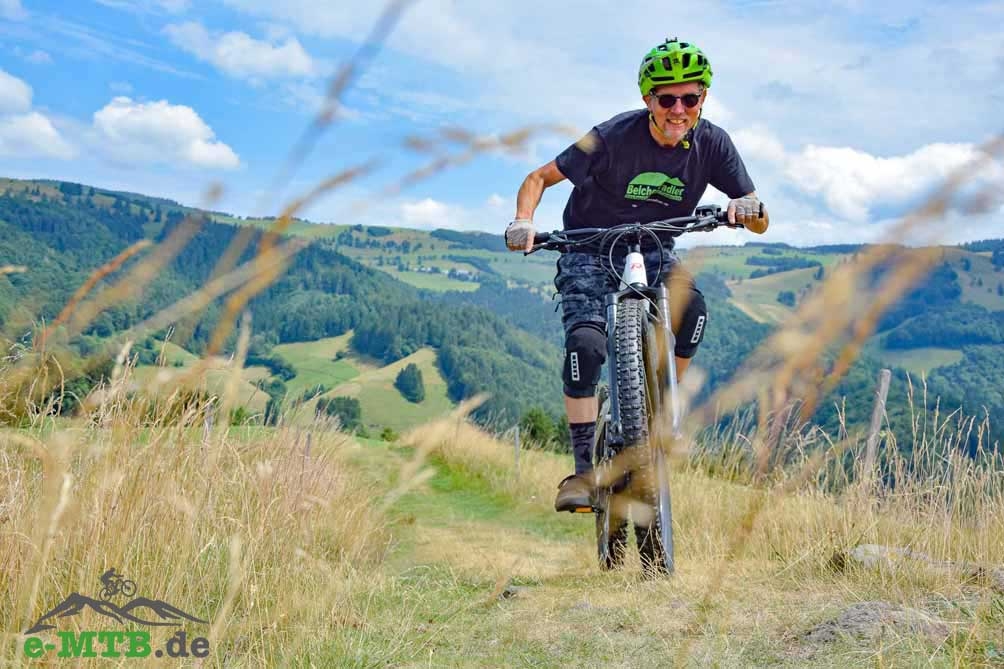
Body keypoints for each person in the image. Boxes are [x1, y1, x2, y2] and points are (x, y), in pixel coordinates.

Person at [505, 38, 769, 512]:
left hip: (655, 245)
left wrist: (747, 209)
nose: (679, 109)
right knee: (585, 346)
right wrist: (524, 221)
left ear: (703, 99)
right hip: (588, 247)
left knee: (693, 312)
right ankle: (584, 473)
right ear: (649, 99)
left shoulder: (713, 144)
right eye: (667, 99)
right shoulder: (610, 137)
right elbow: (538, 178)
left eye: (690, 98)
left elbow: (759, 217)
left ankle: (666, 412)